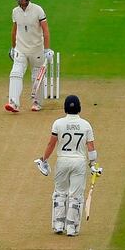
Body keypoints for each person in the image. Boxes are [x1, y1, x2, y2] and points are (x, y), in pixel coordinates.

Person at [36, 95, 101, 236]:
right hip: (79, 162)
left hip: (62, 161)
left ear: (65, 107)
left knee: (60, 193)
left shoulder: (58, 123)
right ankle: (71, 228)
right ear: (79, 108)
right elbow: (91, 147)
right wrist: (93, 165)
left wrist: (44, 159)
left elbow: (51, 144)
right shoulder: (86, 125)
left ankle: (58, 225)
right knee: (75, 196)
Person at [5, 0, 52, 113]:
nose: (21, 1)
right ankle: (13, 103)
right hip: (21, 49)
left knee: (36, 76)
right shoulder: (15, 11)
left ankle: (37, 102)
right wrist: (13, 47)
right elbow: (14, 30)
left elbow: (45, 30)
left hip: (37, 49)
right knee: (15, 74)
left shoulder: (38, 10)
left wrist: (46, 49)